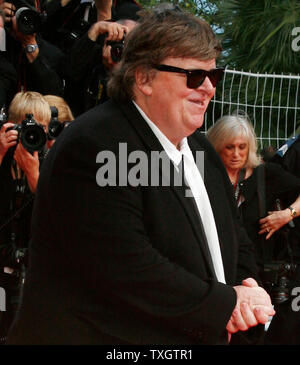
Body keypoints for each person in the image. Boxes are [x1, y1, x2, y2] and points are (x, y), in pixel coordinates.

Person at [7, 6, 274, 345]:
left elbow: (233, 237)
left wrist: (247, 288)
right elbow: (128, 268)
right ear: (144, 78)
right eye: (193, 76)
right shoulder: (95, 144)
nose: (208, 88)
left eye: (214, 75)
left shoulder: (201, 150)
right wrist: (227, 306)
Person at [206, 114, 300, 344]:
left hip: (254, 275)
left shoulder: (264, 175)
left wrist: (288, 214)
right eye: (229, 147)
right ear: (216, 145)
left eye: (242, 147)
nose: (236, 154)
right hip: (213, 269)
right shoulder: (203, 175)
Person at [0, 91, 51, 343]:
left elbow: (60, 218)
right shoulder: (1, 158)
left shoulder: (53, 163)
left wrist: (34, 176)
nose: (34, 135)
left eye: (41, 128)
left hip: (35, 273)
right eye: (27, 127)